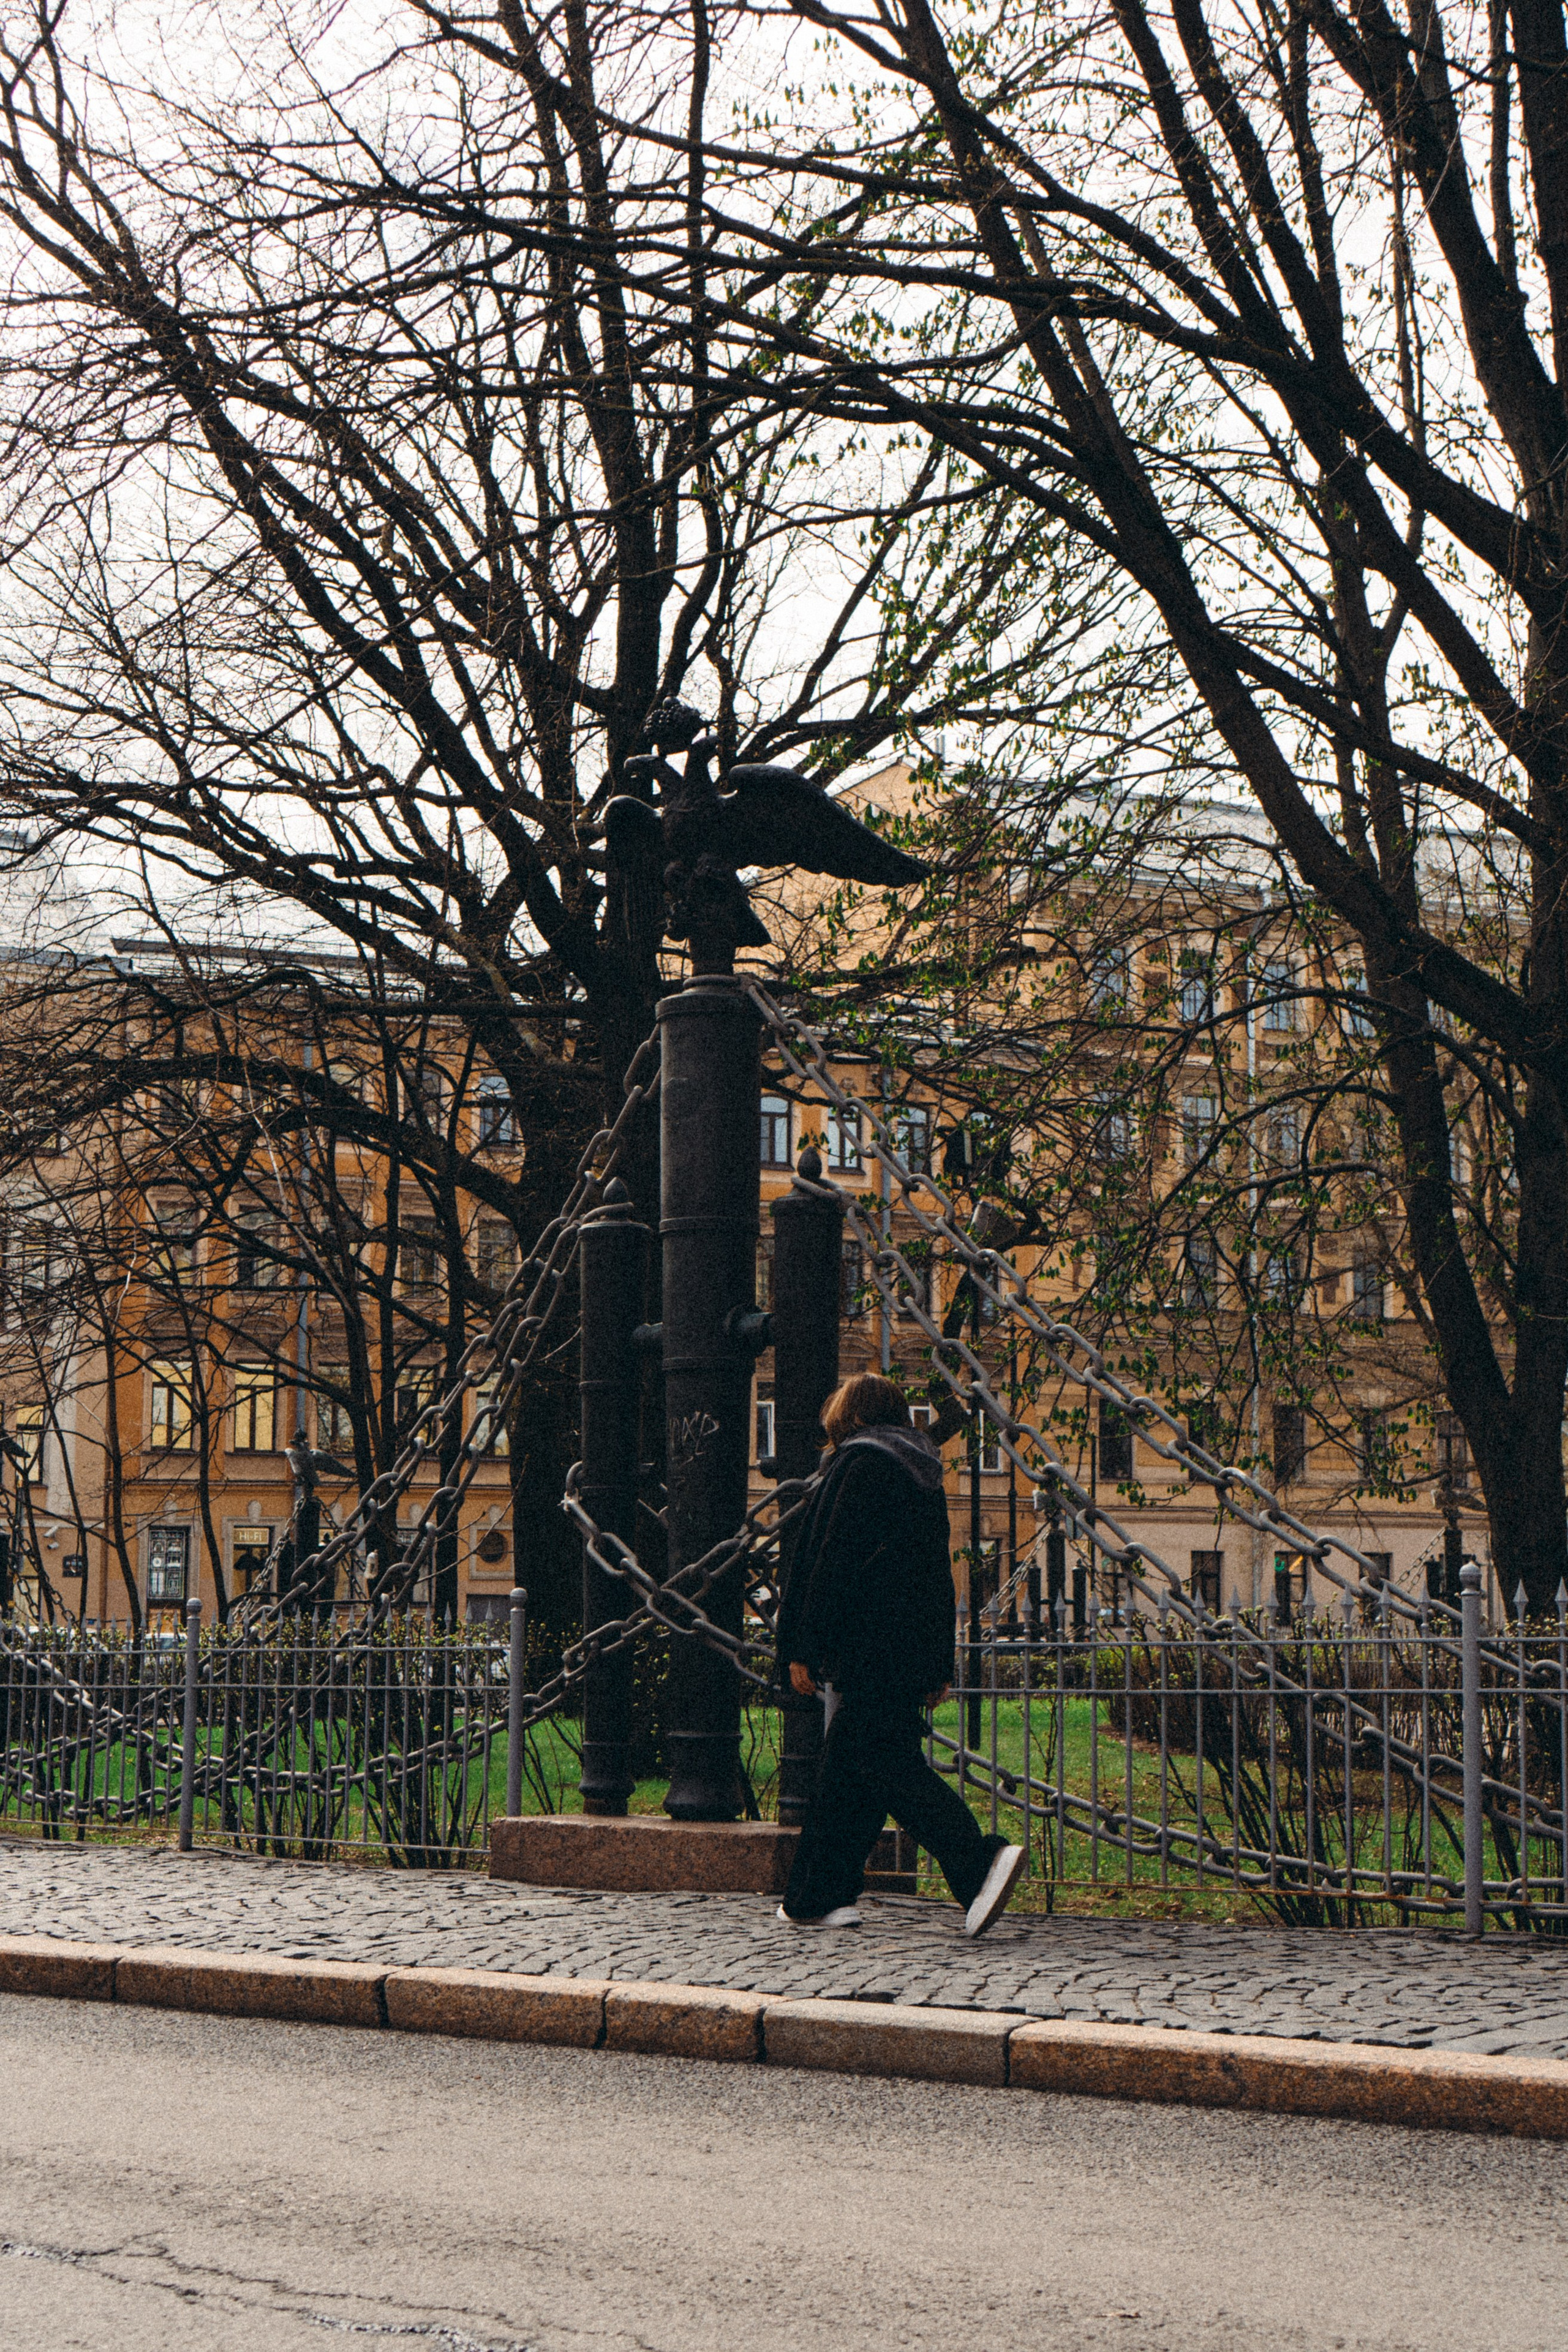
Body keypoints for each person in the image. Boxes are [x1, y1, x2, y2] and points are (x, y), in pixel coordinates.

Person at [775, 1371, 1025, 1934]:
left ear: (851, 1416)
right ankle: (817, 1897)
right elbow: (937, 1576)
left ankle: (978, 1863)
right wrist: (937, 1663)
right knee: (848, 1773)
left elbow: (827, 1561)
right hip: (906, 1650)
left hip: (865, 1646)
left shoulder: (857, 1465)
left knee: (886, 1765)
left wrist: (803, 1646)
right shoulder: (922, 1472)